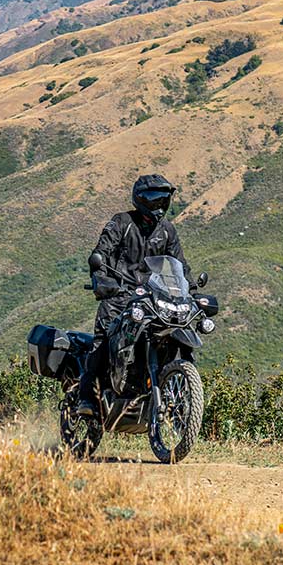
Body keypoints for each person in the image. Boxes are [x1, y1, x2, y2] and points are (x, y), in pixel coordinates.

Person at [77, 174, 192, 416]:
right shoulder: (122, 222)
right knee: (103, 342)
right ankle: (86, 399)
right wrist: (101, 279)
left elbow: (180, 265)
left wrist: (190, 289)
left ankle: (178, 397)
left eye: (163, 199)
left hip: (153, 299)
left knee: (173, 334)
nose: (159, 204)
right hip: (119, 297)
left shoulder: (167, 230)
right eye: (153, 198)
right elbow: (101, 253)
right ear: (140, 199)